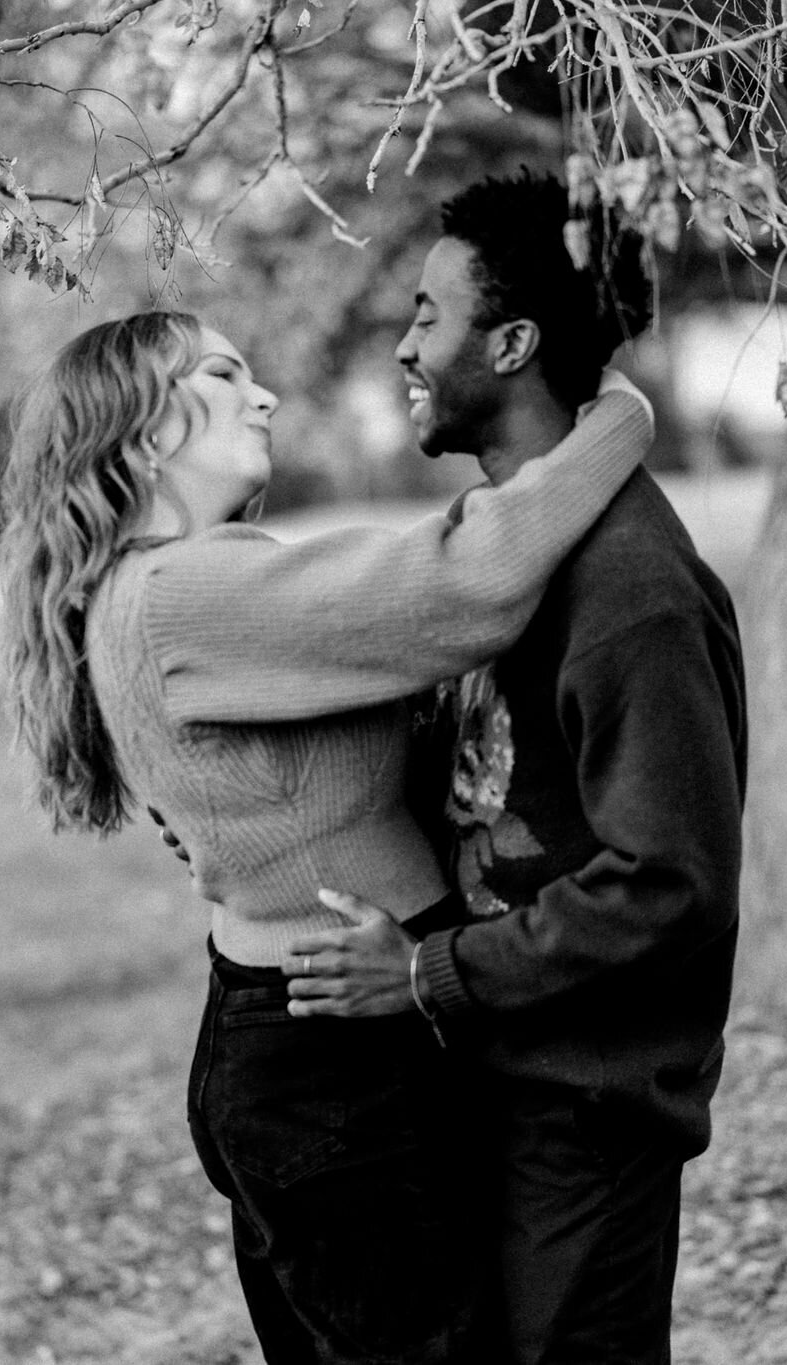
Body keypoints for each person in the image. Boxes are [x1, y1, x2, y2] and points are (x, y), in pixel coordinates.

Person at [0, 305, 651, 1364]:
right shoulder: (181, 595)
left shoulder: (159, 589)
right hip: (332, 1075)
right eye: (220, 374)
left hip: (311, 1049)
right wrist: (617, 416)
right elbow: (461, 582)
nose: (261, 394)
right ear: (140, 428)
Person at [284, 172, 746, 1364]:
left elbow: (669, 883)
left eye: (428, 318)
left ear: (515, 340)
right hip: (487, 1086)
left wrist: (429, 974)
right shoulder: (505, 562)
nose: (403, 346)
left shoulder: (631, 592)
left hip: (587, 1116)